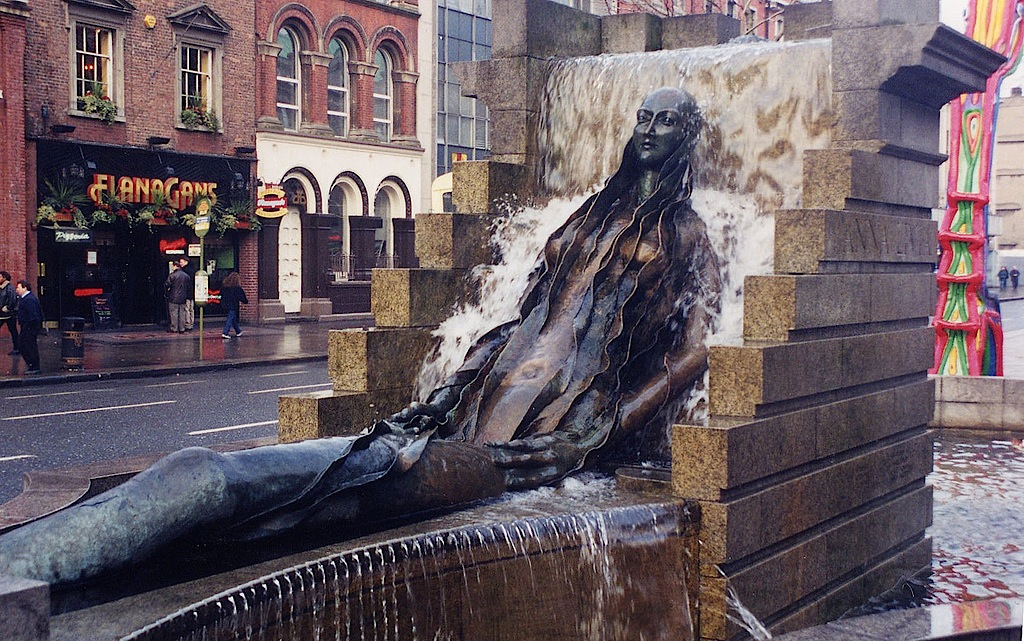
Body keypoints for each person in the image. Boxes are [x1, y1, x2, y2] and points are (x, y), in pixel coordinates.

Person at [0, 87, 721, 586]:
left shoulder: (690, 236)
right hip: (467, 407)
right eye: (642, 117)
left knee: (216, 481)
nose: (648, 130)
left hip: (525, 452)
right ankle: (31, 561)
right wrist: (445, 395)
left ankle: (27, 564)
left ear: (686, 136)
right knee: (217, 488)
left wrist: (601, 428)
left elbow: (698, 349)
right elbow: (520, 314)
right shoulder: (587, 218)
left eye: (665, 121)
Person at [15, 280, 42, 375]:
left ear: (24, 288)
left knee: (29, 346)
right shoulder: (25, 298)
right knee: (23, 346)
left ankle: (34, 366)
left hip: (29, 327)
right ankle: (32, 365)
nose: (16, 290)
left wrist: (27, 326)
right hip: (27, 327)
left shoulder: (29, 299)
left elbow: (33, 315)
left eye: (18, 287)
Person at [164, 261, 191, 333]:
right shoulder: (186, 276)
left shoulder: (172, 275)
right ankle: (182, 328)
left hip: (173, 297)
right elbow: (188, 286)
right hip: (183, 297)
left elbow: (167, 284)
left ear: (175, 266)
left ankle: (174, 328)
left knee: (173, 313)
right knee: (182, 313)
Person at [219, 271, 248, 338]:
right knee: (230, 318)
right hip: (233, 305)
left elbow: (221, 294)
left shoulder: (224, 287)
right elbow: (242, 297)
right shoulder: (237, 288)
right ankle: (225, 332)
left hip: (225, 304)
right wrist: (245, 301)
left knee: (233, 317)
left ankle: (238, 331)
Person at [0, 272, 18, 355]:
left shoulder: (9, 288)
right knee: (13, 331)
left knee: (13, 331)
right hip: (1, 314)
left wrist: (8, 307)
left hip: (8, 314)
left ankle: (17, 348)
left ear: (4, 278)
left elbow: (12, 299)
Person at [178, 258, 196, 331]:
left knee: (186, 309)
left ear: (186, 262)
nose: (180, 263)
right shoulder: (192, 270)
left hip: (186, 293)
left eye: (181, 262)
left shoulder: (184, 271)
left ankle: (187, 324)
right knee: (191, 309)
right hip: (192, 292)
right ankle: (191, 323)